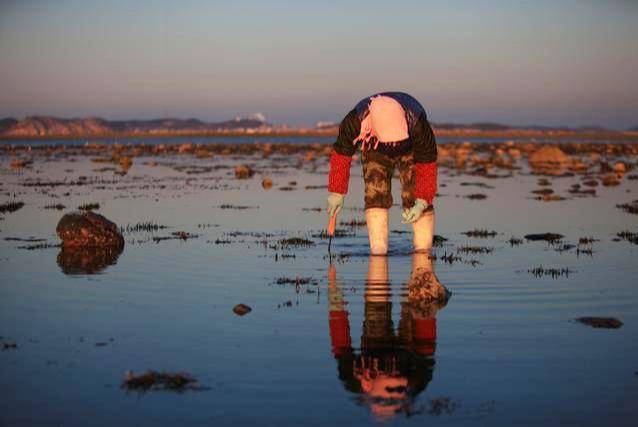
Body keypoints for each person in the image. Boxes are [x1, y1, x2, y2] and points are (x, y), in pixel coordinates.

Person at [327, 255, 449, 420]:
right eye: (394, 376)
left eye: (390, 375)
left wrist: (334, 289)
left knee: (382, 302)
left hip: (379, 348)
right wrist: (425, 307)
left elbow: (339, 335)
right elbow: (426, 346)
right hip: (406, 351)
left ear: (367, 381)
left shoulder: (350, 377)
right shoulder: (418, 379)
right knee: (414, 301)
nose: (392, 374)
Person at [326, 92, 438, 255]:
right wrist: (337, 192)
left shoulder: (417, 123)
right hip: (374, 144)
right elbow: (342, 153)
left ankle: (423, 251)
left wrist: (422, 201)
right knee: (375, 193)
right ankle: (378, 252)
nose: (393, 145)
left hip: (410, 147)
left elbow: (427, 162)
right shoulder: (355, 120)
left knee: (414, 195)